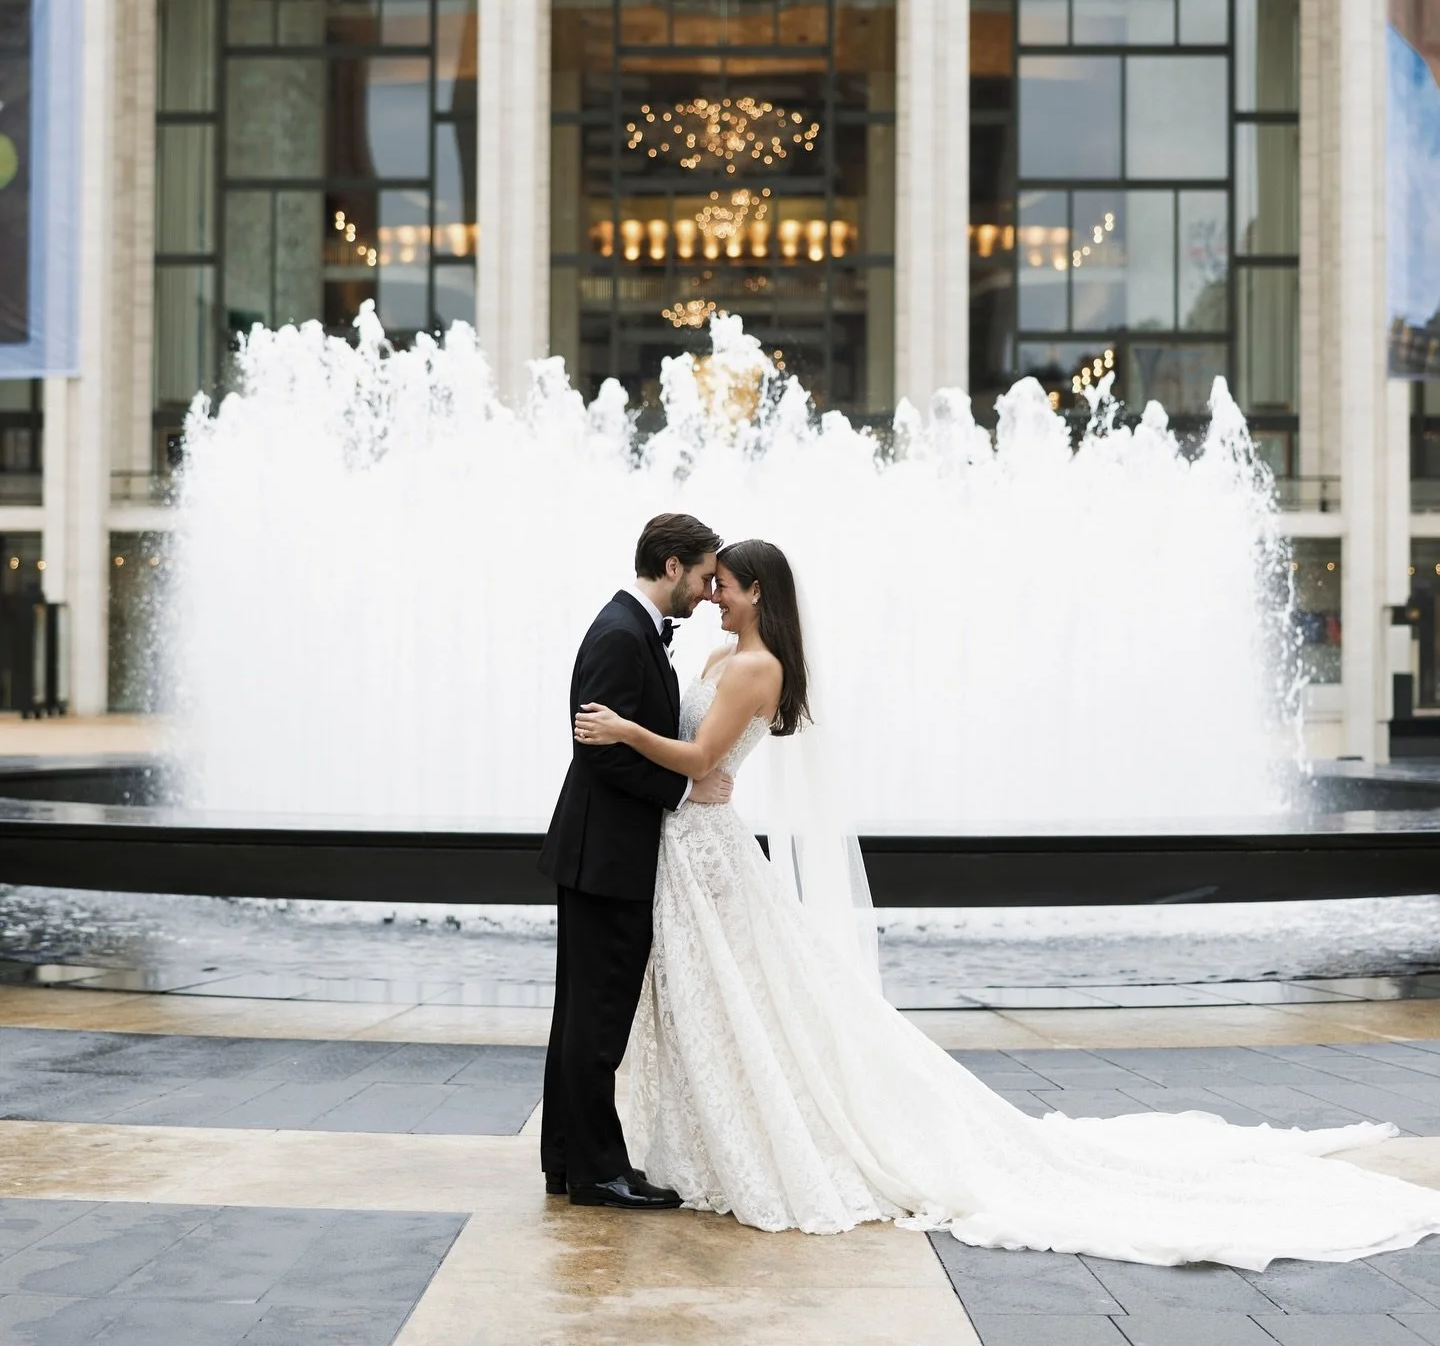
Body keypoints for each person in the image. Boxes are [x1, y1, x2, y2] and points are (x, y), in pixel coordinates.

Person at [572, 537, 1440, 1265]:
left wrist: (623, 731)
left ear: (756, 590)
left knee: (744, 1001)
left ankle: (755, 1139)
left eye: (722, 584)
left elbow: (697, 765)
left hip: (705, 851)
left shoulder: (755, 665)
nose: (711, 595)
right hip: (685, 848)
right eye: (706, 580)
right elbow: (698, 745)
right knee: (714, 1003)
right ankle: (700, 1140)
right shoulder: (727, 654)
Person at [538, 511, 734, 1210]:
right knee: (597, 1020)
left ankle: (568, 1159)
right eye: (706, 575)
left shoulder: (630, 630)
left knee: (581, 1016)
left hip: (600, 851)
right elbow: (599, 749)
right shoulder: (622, 635)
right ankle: (597, 1172)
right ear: (673, 566)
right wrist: (686, 787)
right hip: (605, 856)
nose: (710, 592)